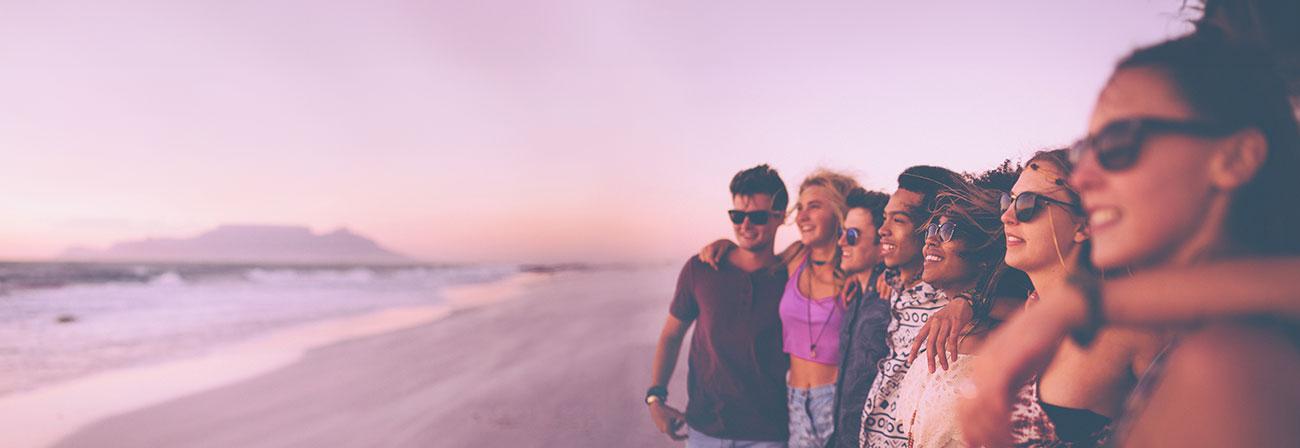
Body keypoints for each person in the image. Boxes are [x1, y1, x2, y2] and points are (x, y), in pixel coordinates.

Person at [961, 31, 1300, 447]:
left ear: (1235, 158)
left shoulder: (1224, 365)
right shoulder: (1220, 333)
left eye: (1119, 141)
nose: (1084, 177)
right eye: (1088, 148)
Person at [698, 169, 863, 448]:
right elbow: (756, 257)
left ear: (839, 213)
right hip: (794, 400)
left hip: (837, 400)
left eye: (814, 206)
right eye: (800, 208)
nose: (802, 217)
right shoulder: (796, 257)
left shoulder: (857, 269)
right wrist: (726, 245)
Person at [647, 164, 792, 447]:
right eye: (737, 216)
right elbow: (671, 335)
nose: (745, 226)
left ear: (781, 217)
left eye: (757, 217)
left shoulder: (793, 276)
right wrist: (655, 398)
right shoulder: (701, 269)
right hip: (704, 430)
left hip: (768, 434)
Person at [885, 178, 1027, 447]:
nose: (931, 240)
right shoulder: (944, 320)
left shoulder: (1003, 335)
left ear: (984, 254)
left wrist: (974, 301)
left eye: (949, 230)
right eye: (931, 229)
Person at [859, 166, 967, 448]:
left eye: (899, 220)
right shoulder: (891, 285)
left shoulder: (952, 302)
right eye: (885, 218)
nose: (882, 230)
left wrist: (969, 301)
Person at [826, 187, 891, 448]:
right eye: (842, 233)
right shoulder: (855, 296)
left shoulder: (891, 300)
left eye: (851, 235)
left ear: (881, 243)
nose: (841, 242)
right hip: (841, 436)